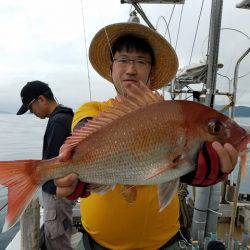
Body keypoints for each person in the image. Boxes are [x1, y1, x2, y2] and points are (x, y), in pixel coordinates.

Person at [54, 23, 239, 249]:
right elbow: (85, 128)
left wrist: (193, 170)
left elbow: (179, 166)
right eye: (123, 60)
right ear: (111, 68)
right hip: (98, 243)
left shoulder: (170, 114)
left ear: (151, 73)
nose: (131, 69)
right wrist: (75, 169)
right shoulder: (92, 109)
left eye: (141, 61)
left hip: (164, 243)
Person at [17, 80, 74, 250]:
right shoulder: (64, 117)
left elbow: (56, 165)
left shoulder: (58, 122)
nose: (31, 112)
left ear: (41, 99)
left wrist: (51, 189)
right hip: (61, 194)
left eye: (30, 107)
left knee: (57, 241)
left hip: (57, 196)